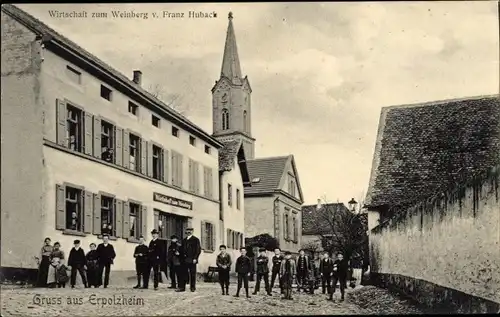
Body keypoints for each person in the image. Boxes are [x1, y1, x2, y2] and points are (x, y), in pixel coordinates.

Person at [178, 227, 201, 292]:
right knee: (184, 274)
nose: (189, 232)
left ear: (192, 231)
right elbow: (181, 250)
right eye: (187, 230)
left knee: (192, 274)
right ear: (186, 231)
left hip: (192, 260)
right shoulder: (184, 240)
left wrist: (195, 258)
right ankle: (182, 288)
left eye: (190, 231)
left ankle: (192, 287)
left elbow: (198, 250)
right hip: (184, 260)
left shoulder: (196, 240)